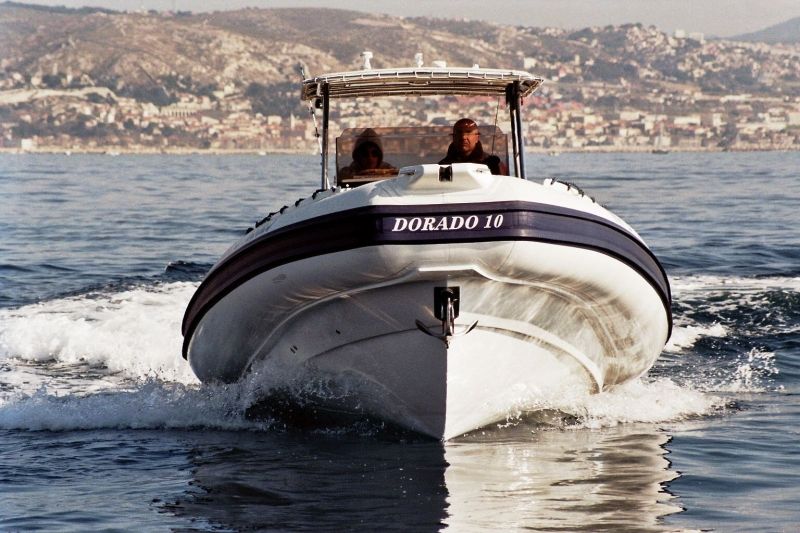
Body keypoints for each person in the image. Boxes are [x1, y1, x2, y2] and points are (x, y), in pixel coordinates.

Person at [439, 118, 508, 175]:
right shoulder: (442, 166)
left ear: (477, 137)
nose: (463, 137)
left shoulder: (492, 164)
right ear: (453, 137)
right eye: (459, 132)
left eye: (468, 132)